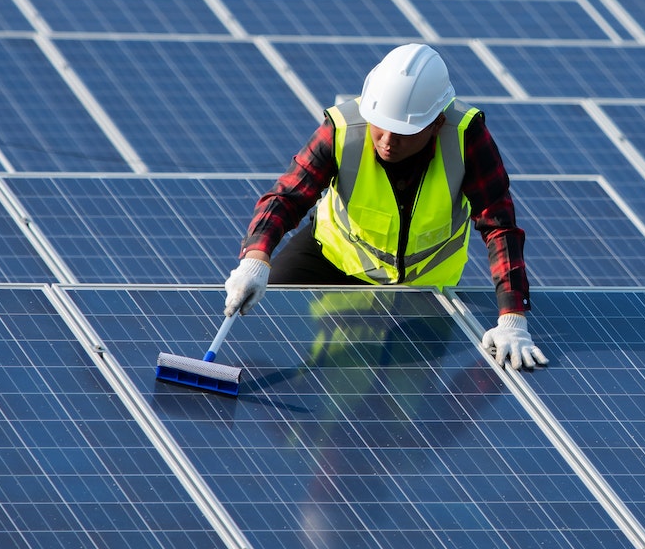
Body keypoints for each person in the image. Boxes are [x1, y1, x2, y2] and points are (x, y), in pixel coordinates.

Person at [222, 43, 546, 370]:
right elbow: (287, 195)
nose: (388, 140)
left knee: (397, 397)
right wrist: (256, 258)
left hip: (423, 287)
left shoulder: (466, 137)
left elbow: (499, 225)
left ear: (436, 123)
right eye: (381, 125)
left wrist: (512, 318)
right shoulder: (343, 127)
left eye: (404, 132)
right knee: (262, 311)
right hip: (332, 258)